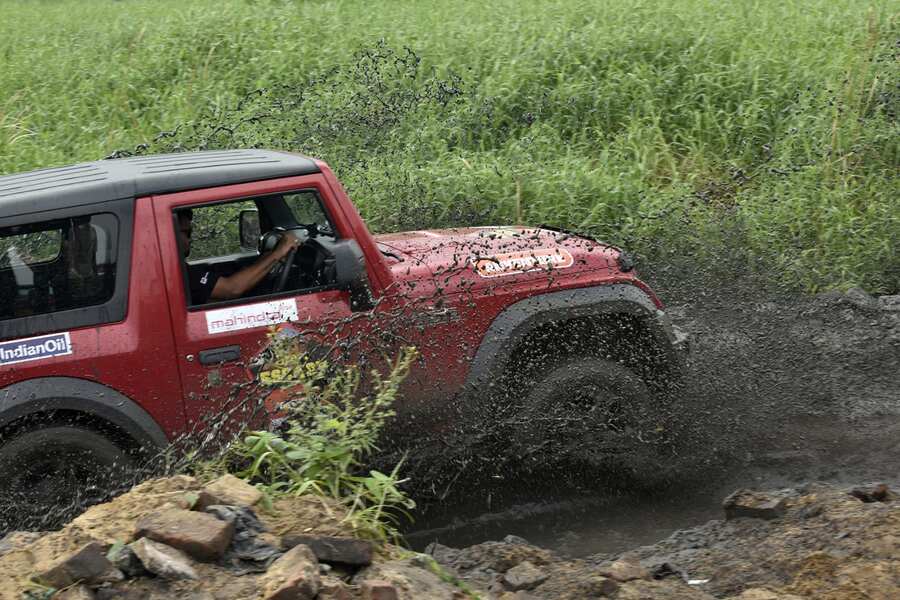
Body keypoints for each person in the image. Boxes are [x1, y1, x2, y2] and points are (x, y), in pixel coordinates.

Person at [176, 209, 300, 304]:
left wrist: (268, 257)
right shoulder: (178, 275)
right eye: (186, 233)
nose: (190, 239)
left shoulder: (180, 270)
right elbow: (232, 289)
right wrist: (278, 253)